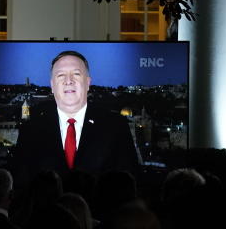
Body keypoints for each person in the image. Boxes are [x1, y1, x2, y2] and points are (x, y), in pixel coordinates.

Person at [11, 50, 140, 188]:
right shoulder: (30, 131)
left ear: (88, 83)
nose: (68, 81)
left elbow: (129, 187)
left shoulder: (116, 127)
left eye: (76, 74)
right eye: (61, 75)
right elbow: (21, 188)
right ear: (52, 86)